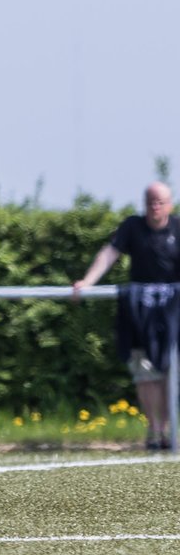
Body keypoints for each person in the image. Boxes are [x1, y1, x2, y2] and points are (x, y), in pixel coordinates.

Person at [73, 181, 179, 449]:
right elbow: (109, 254)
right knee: (145, 372)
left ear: (170, 204)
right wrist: (88, 282)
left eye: (160, 202)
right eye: (150, 202)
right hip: (140, 313)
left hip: (172, 315)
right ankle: (154, 430)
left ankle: (168, 429)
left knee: (170, 371)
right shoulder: (132, 226)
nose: (155, 207)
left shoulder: (178, 229)